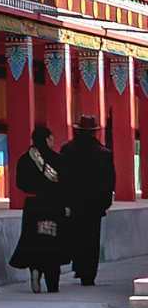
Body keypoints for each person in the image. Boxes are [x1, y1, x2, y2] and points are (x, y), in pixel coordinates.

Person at [10, 123, 69, 292]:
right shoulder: (58, 160)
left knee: (35, 241)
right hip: (53, 206)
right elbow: (65, 185)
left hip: (33, 207)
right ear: (47, 139)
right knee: (52, 244)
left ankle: (35, 269)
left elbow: (20, 184)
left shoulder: (25, 159)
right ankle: (52, 284)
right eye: (51, 138)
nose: (53, 141)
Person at [59, 114, 116, 287]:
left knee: (76, 236)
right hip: (94, 204)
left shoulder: (67, 150)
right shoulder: (104, 153)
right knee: (92, 238)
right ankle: (88, 274)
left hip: (74, 202)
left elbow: (63, 178)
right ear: (94, 133)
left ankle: (79, 267)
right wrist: (105, 203)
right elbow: (109, 180)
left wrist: (64, 201)